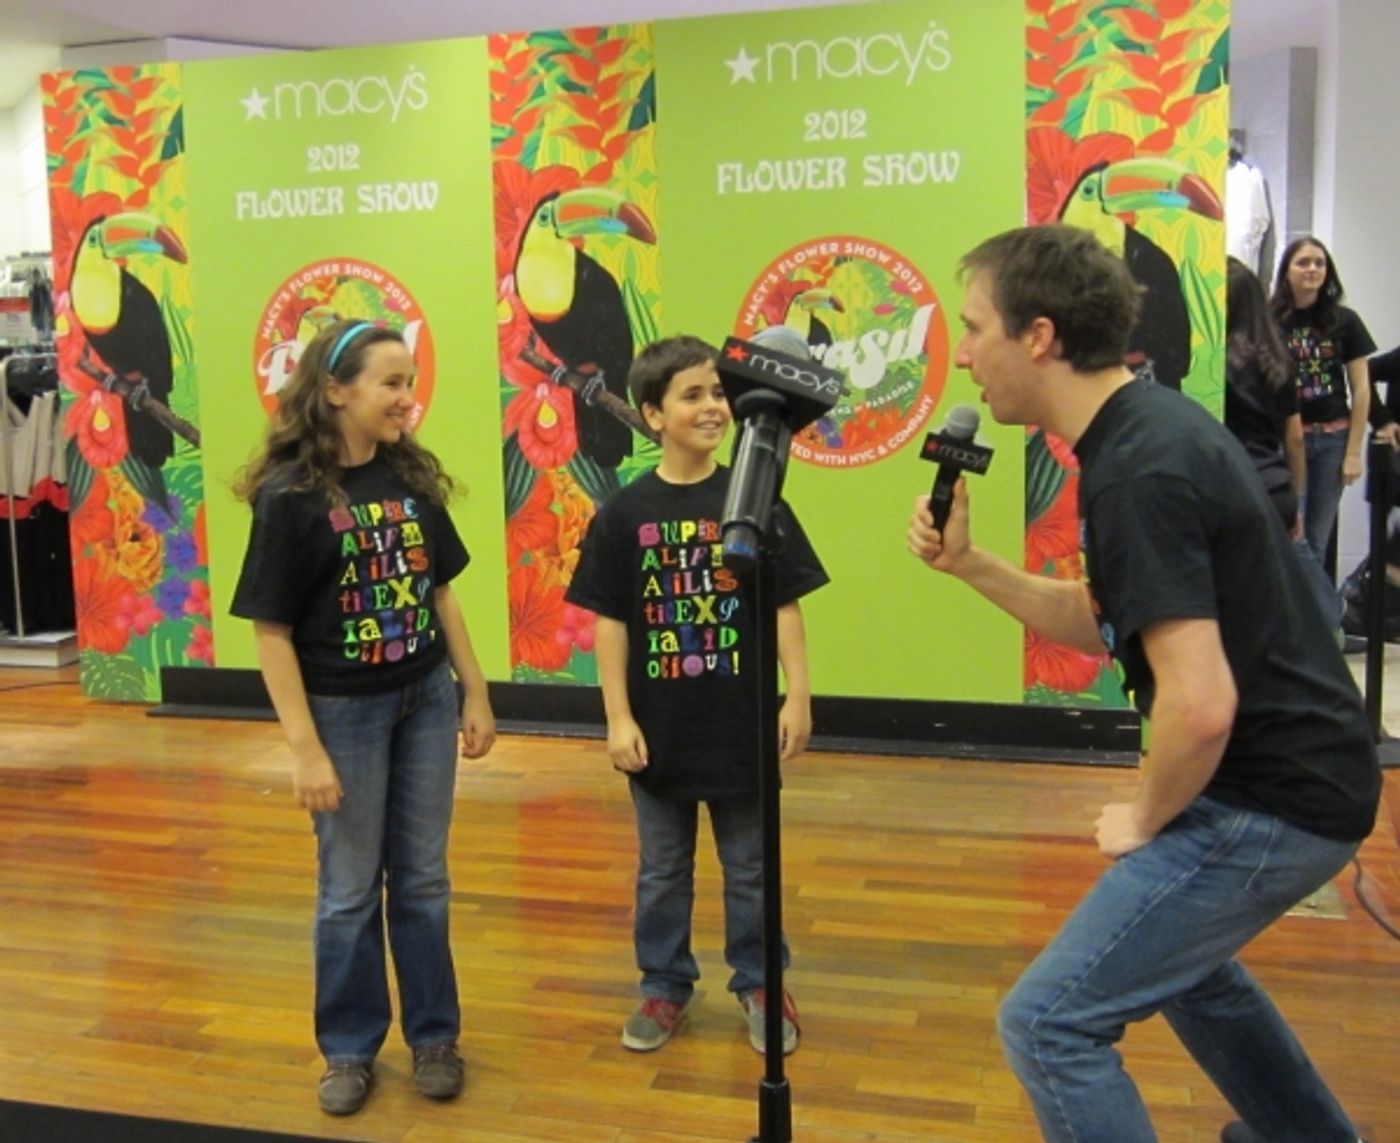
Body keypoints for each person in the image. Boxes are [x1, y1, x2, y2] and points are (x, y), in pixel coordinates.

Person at [907, 225, 1379, 1143]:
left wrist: (1146, 816)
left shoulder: (1138, 467)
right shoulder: (1141, 430)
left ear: (1038, 336)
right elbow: (1112, 614)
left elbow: (1199, 708)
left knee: (1048, 1024)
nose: (963, 355)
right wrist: (972, 566)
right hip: (1304, 780)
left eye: (973, 328)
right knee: (1182, 964)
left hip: (1273, 799)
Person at [230, 320, 496, 1115]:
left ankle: (435, 1036)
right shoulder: (291, 499)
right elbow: (271, 632)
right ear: (335, 390)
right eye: (390, 382)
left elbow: (441, 592)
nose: (406, 398)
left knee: (422, 882)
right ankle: (347, 1048)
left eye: (410, 382)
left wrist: (474, 690)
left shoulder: (412, 480)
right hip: (342, 715)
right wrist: (304, 749)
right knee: (349, 889)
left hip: (425, 702)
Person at [564, 335, 828, 1055]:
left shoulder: (755, 496)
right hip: (660, 729)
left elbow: (784, 605)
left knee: (750, 867)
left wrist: (797, 696)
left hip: (740, 725)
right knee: (662, 871)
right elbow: (610, 620)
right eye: (693, 395)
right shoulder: (623, 512)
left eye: (719, 393)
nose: (714, 407)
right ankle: (664, 981)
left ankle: (760, 981)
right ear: (653, 414)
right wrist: (616, 716)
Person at [1225, 256, 1342, 630]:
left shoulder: (1208, 362)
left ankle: (1326, 626)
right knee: (1296, 560)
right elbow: (1293, 437)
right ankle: (1328, 628)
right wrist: (1294, 495)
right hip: (1270, 481)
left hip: (1226, 481)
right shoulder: (1276, 358)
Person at [1270, 235, 1376, 563]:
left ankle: (1316, 613)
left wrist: (1354, 453)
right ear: (1286, 271)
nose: (1312, 269)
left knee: (1316, 542)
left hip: (1333, 440)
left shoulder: (1345, 320)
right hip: (1287, 441)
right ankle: (1316, 610)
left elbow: (1362, 389)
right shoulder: (1270, 320)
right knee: (1289, 538)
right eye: (1303, 262)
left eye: (1319, 263)